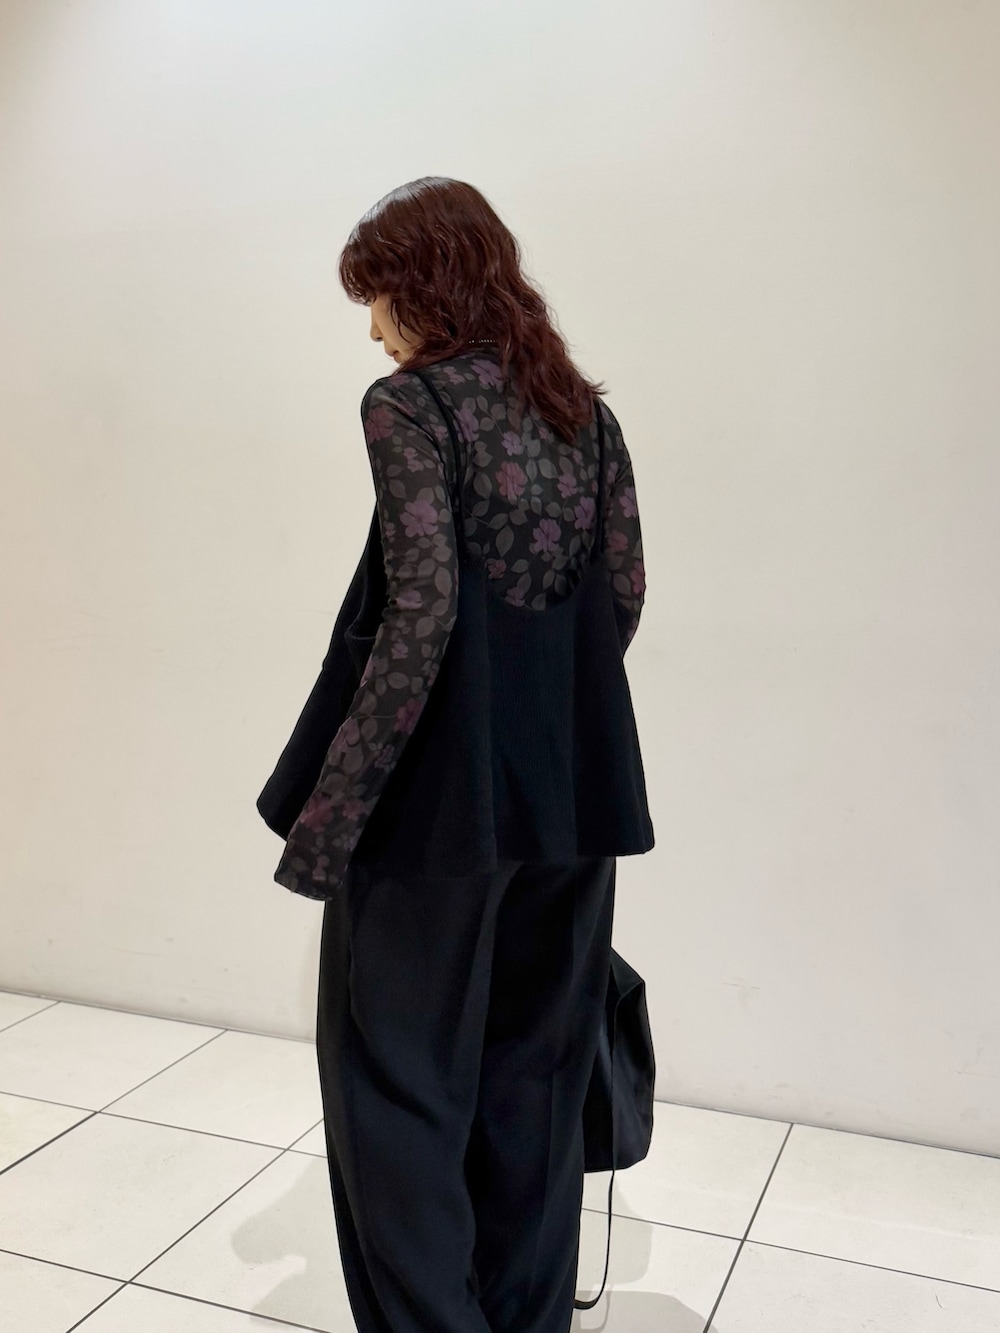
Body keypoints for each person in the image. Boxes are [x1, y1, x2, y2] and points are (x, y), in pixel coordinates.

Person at [257, 176, 654, 1332]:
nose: (373, 332)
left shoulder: (410, 406)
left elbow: (420, 614)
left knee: (396, 1087)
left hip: (435, 810)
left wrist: (331, 822)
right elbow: (624, 593)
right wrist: (544, 719)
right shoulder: (584, 415)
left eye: (376, 301)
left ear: (422, 287)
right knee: (536, 1077)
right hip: (575, 799)